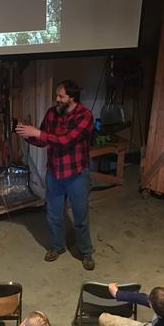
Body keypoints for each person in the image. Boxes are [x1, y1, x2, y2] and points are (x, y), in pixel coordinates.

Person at [15, 80, 96, 270]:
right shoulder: (52, 113)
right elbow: (44, 141)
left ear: (72, 98)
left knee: (80, 216)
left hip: (76, 173)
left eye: (60, 96)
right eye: (56, 95)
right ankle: (56, 246)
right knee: (53, 214)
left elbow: (66, 141)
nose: (56, 99)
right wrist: (27, 134)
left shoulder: (85, 116)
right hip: (54, 172)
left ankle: (86, 251)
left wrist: (39, 133)